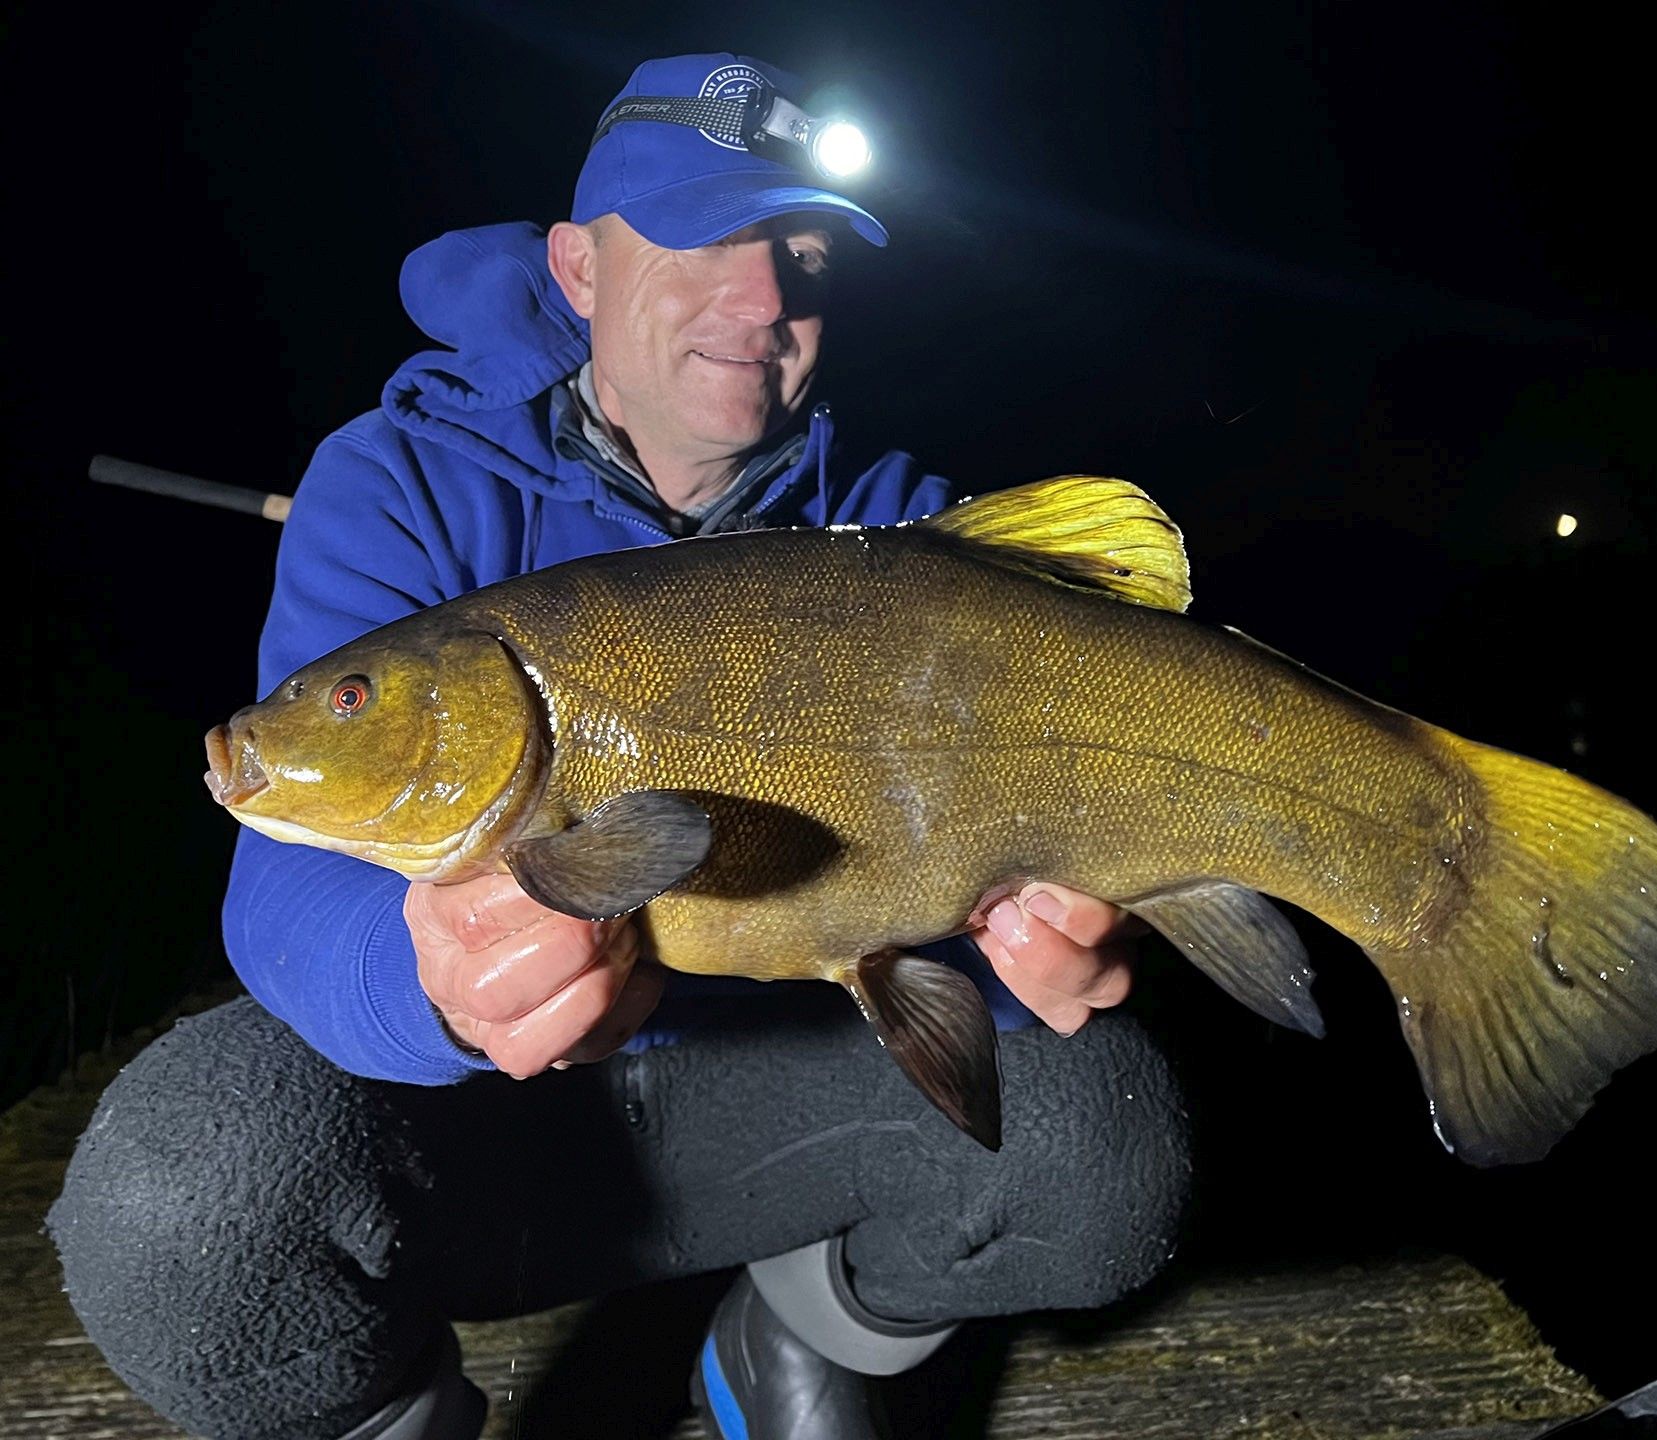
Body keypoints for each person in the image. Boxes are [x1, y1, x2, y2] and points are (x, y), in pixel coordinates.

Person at [49, 53, 1192, 1440]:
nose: (763, 297)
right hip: (479, 1134)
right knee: (178, 1191)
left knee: (1104, 1140)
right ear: (580, 267)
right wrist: (430, 986)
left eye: (802, 251)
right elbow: (281, 891)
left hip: (775, 1097)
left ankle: (805, 1339)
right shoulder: (396, 481)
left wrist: (1039, 951)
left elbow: (973, 947)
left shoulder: (910, 530)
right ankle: (396, 1411)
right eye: (704, 236)